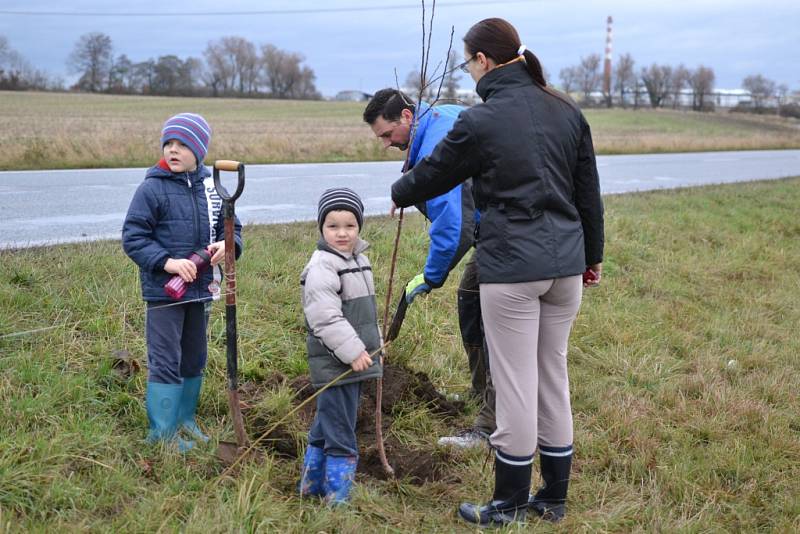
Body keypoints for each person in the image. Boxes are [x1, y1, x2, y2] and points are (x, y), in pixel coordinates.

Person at [390, 18, 604, 526]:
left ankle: (507, 503)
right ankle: (553, 498)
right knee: (553, 376)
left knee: (513, 383)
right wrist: (592, 256)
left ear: (484, 61)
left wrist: (399, 193)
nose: (468, 71)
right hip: (565, 269)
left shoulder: (480, 121)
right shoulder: (567, 110)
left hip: (511, 270)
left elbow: (435, 172)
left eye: (468, 62)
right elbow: (587, 194)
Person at [363, 89, 496, 449]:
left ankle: (491, 424)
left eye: (388, 135)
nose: (388, 144)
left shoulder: (436, 148)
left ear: (407, 117)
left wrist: (431, 276)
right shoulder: (439, 115)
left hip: (502, 233)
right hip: (498, 227)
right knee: (470, 300)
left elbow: (454, 229)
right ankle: (480, 392)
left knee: (489, 321)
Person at [122, 112, 243, 451]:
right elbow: (133, 236)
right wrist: (168, 262)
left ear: (199, 150)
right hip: (164, 292)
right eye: (168, 144)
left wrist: (228, 245)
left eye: (182, 145)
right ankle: (162, 433)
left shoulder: (212, 188)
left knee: (194, 356)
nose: (173, 150)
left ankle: (185, 421)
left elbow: (233, 229)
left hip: (200, 289)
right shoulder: (152, 188)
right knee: (166, 358)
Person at [298, 187, 383, 505]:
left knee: (326, 424)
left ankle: (311, 487)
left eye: (349, 225)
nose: (342, 233)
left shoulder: (359, 260)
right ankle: (337, 499)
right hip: (337, 362)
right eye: (333, 226)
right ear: (321, 227)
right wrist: (353, 352)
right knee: (341, 432)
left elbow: (362, 314)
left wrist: (375, 344)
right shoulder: (323, 266)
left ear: (359, 226)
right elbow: (325, 319)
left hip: (354, 359)